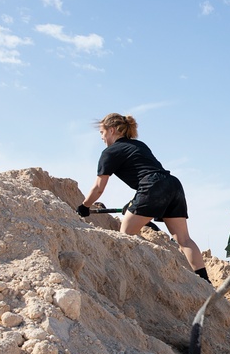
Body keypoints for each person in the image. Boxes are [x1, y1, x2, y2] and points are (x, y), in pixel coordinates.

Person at [78, 113, 211, 283]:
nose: (102, 138)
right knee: (184, 239)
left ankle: (129, 278)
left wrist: (84, 207)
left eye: (102, 133)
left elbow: (98, 188)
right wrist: (134, 203)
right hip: (172, 184)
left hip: (152, 187)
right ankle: (206, 283)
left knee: (125, 233)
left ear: (111, 130)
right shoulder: (138, 145)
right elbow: (147, 173)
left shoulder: (109, 152)